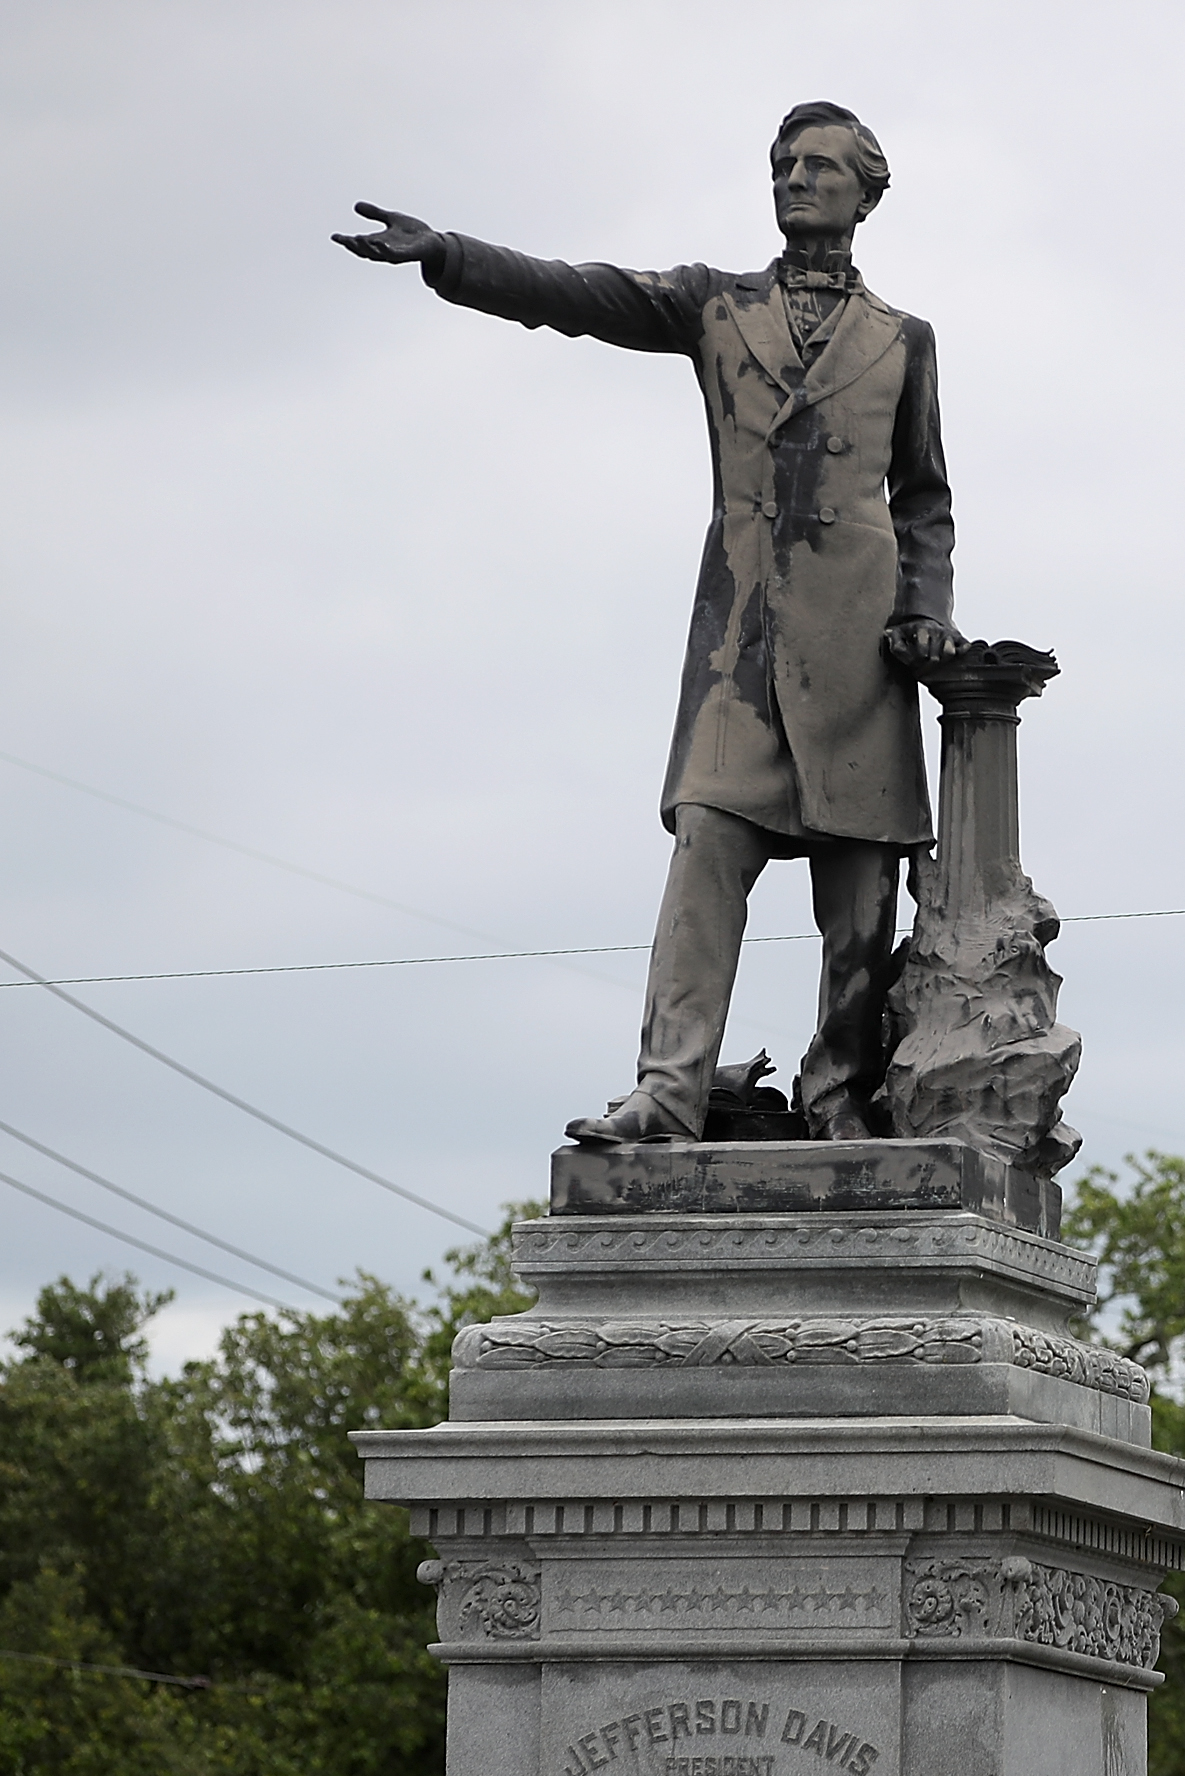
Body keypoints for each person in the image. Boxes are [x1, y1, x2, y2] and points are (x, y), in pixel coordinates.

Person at [335, 103, 958, 1144]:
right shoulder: (716, 305)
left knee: (861, 897)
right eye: (784, 165)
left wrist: (926, 616)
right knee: (707, 847)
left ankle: (841, 1095)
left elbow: (924, 500)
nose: (796, 180)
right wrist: (451, 255)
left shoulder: (905, 340)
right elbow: (579, 296)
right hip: (740, 649)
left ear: (867, 191)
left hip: (861, 653)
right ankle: (668, 1090)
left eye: (819, 166)